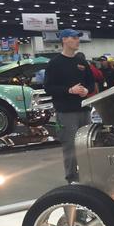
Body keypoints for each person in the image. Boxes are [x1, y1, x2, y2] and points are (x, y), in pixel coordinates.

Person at [43, 29, 95, 183]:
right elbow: (48, 87)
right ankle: (72, 179)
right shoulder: (54, 63)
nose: (78, 40)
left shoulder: (81, 61)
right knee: (70, 147)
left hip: (84, 110)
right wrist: (69, 90)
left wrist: (87, 90)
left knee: (88, 144)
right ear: (64, 40)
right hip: (66, 113)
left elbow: (91, 83)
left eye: (78, 38)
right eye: (74, 38)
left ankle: (89, 176)